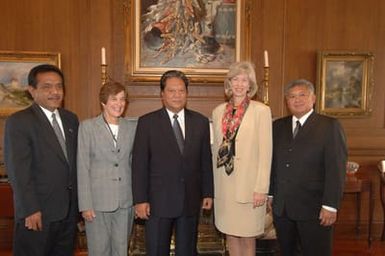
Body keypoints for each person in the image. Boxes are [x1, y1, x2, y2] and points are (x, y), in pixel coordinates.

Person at [132, 70, 213, 256]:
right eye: (171, 91)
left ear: (187, 93)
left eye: (181, 90)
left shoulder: (200, 122)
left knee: (187, 251)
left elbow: (205, 160)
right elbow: (139, 164)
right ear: (162, 94)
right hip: (158, 203)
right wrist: (140, 200)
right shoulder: (147, 123)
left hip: (190, 201)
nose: (177, 95)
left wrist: (208, 192)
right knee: (157, 251)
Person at [3, 64, 79, 256]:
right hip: (37, 214)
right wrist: (30, 209)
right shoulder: (19, 122)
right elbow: (18, 171)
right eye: (47, 87)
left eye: (59, 86)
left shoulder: (71, 120)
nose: (55, 92)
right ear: (32, 90)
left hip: (68, 214)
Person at [269, 79, 347, 256]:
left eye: (302, 95)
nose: (297, 100)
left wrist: (330, 206)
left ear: (313, 98)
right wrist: (271, 193)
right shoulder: (278, 126)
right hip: (283, 208)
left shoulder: (329, 126)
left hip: (315, 208)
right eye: (292, 96)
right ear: (286, 101)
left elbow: (336, 169)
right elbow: (273, 163)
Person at [212, 61, 273, 256]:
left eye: (244, 80)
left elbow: (266, 153)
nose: (239, 84)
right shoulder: (218, 111)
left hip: (249, 188)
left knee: (247, 237)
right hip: (225, 186)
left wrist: (261, 189)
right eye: (235, 79)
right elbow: (216, 150)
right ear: (229, 83)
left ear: (250, 85)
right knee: (230, 236)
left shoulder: (261, 111)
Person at [77, 82, 136, 255]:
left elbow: (133, 164)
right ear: (103, 101)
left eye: (122, 99)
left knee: (121, 250)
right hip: (96, 203)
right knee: (99, 250)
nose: (119, 104)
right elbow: (82, 166)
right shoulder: (87, 127)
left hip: (125, 201)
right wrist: (85, 205)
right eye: (114, 99)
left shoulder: (131, 128)